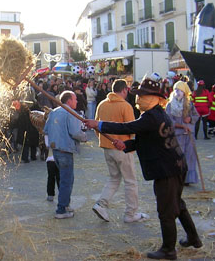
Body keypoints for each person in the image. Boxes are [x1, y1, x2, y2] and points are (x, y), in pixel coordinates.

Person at [85, 76, 202, 260]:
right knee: (177, 204)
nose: (139, 99)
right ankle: (193, 237)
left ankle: (168, 250)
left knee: (166, 210)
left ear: (156, 98)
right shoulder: (154, 115)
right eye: (139, 95)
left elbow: (128, 127)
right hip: (176, 166)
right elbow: (144, 139)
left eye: (144, 95)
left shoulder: (152, 116)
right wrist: (127, 145)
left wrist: (98, 124)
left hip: (168, 170)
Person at [92, 79, 148, 223]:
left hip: (107, 147)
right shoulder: (126, 106)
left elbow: (97, 126)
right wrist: (131, 145)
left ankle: (101, 204)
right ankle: (131, 214)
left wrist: (104, 141)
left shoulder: (102, 105)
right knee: (130, 181)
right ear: (124, 90)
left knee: (114, 178)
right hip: (123, 148)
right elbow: (132, 129)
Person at [44, 91, 87, 219]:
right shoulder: (71, 113)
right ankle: (61, 209)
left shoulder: (53, 112)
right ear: (69, 101)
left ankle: (65, 204)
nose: (77, 101)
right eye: (75, 99)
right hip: (65, 150)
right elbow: (75, 132)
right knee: (66, 181)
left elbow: (45, 130)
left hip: (55, 150)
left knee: (67, 179)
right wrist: (84, 137)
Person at [166, 81, 200, 186]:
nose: (177, 92)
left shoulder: (189, 104)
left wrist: (190, 120)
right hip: (178, 135)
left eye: (180, 90)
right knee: (178, 156)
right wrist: (180, 126)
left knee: (189, 156)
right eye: (176, 90)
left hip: (189, 134)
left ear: (184, 92)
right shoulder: (170, 105)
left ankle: (187, 179)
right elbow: (168, 120)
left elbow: (196, 115)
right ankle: (178, 177)